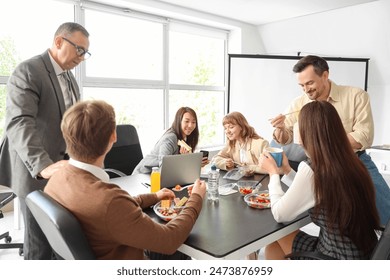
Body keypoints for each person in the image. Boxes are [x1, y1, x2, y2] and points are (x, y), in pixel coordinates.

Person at [44, 100, 206, 259]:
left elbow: (114, 208)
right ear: (114, 136)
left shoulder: (55, 179)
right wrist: (196, 198)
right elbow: (170, 240)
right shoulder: (110, 201)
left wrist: (154, 197)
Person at [0, 22, 90, 259]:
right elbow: (19, 122)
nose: (82, 57)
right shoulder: (29, 71)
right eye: (79, 49)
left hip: (62, 169)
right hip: (36, 170)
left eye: (85, 52)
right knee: (39, 243)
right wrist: (43, 166)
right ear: (59, 41)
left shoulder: (70, 79)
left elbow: (71, 122)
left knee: (60, 239)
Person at [270, 55, 390, 225]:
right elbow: (285, 139)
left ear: (325, 75)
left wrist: (322, 143)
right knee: (333, 216)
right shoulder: (299, 103)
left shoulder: (356, 96)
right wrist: (280, 128)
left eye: (310, 83)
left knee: (385, 209)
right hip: (320, 165)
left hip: (354, 160)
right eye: (301, 85)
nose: (306, 90)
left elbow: (364, 136)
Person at [260, 101, 380, 260]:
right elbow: (315, 188)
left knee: (276, 235)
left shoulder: (314, 168)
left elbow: (280, 214)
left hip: (335, 257)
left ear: (307, 131)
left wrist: (273, 174)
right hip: (363, 253)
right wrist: (287, 170)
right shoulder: (351, 161)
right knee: (274, 244)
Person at [133, 106, 208, 174]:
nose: (190, 125)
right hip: (143, 175)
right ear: (179, 121)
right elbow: (164, 168)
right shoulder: (170, 138)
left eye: (193, 122)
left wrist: (195, 164)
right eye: (186, 121)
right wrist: (183, 160)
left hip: (155, 176)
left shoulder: (186, 138)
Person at [213, 111, 269, 176]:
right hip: (242, 182)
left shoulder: (261, 144)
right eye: (225, 128)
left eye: (231, 127)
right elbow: (214, 160)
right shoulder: (232, 144)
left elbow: (271, 168)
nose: (227, 131)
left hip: (262, 182)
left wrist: (248, 167)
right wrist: (226, 163)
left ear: (241, 127)